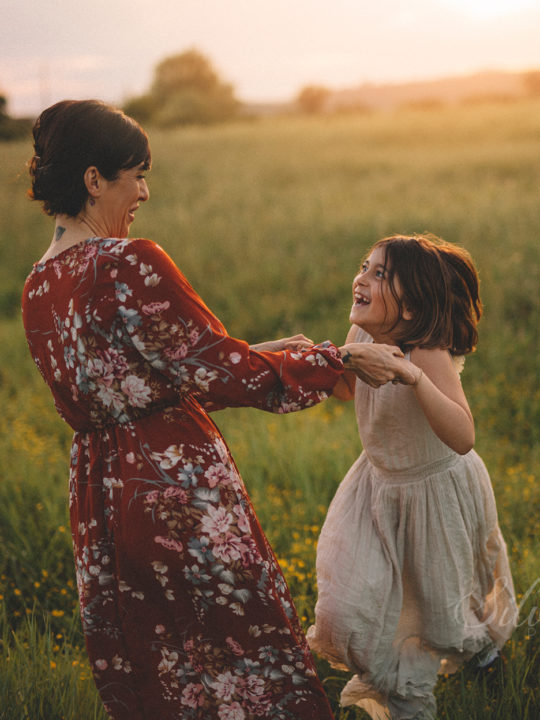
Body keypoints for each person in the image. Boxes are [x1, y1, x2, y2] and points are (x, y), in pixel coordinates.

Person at [22, 99, 410, 720]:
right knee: (245, 657)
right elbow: (228, 376)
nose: (145, 191)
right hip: (176, 492)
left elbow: (137, 388)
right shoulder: (129, 261)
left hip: (103, 502)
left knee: (161, 668)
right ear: (94, 180)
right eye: (136, 174)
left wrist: (256, 352)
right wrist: (339, 360)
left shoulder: (37, 286)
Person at [307, 234, 519, 720]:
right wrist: (334, 361)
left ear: (410, 306)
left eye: (380, 274)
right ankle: (386, 668)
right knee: (347, 601)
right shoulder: (361, 335)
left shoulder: (427, 353)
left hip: (434, 492)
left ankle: (467, 659)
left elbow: (463, 435)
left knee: (434, 605)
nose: (361, 277)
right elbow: (345, 389)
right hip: (378, 486)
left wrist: (414, 378)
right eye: (365, 266)